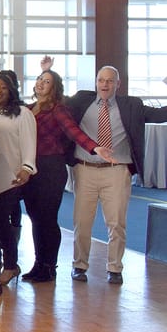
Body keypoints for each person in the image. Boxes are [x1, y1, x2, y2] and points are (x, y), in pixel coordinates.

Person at [65, 65, 167, 285]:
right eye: (101, 80)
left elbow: (160, 115)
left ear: (118, 84)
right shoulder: (80, 101)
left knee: (116, 222)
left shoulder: (132, 105)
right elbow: (56, 105)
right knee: (82, 221)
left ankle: (115, 268)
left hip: (117, 171)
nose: (105, 84)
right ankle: (79, 265)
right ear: (96, 82)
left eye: (110, 81)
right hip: (85, 169)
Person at [23, 59, 115, 283]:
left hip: (51, 168)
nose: (41, 83)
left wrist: (94, 148)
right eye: (39, 79)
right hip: (31, 169)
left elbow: (74, 132)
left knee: (47, 219)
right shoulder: (28, 109)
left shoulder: (58, 109)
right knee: (35, 219)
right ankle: (38, 264)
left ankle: (49, 266)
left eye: (47, 81)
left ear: (55, 88)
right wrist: (45, 70)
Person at [0, 74, 36, 285]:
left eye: (3, 88)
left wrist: (27, 167)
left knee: (1, 221)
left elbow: (29, 142)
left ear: (11, 90)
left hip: (11, 177)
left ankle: (11, 265)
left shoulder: (22, 113)